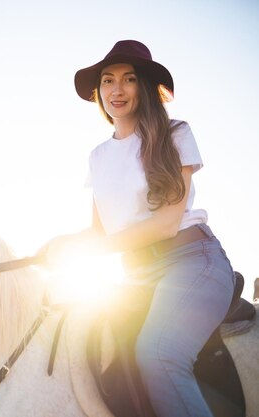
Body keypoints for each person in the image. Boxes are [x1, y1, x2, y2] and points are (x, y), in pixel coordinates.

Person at [39, 40, 235, 417]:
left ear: (143, 86)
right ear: (99, 92)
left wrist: (93, 250)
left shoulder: (175, 132)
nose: (117, 89)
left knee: (158, 353)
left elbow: (164, 225)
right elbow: (100, 233)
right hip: (137, 276)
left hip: (193, 261)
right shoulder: (97, 156)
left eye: (128, 79)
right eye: (108, 81)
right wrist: (61, 246)